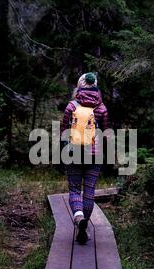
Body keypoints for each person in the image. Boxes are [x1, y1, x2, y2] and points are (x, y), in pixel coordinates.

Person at [60, 72, 110, 244]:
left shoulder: (71, 106)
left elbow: (63, 132)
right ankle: (85, 226)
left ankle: (79, 218)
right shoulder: (102, 108)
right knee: (89, 192)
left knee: (74, 189)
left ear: (79, 86)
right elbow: (104, 133)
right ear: (96, 86)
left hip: (73, 153)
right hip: (94, 156)